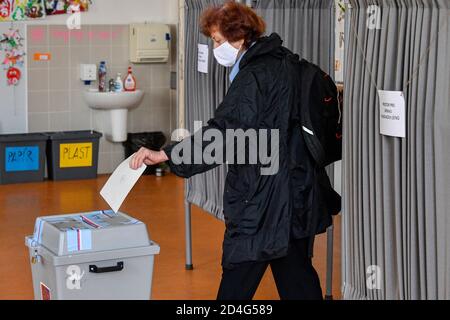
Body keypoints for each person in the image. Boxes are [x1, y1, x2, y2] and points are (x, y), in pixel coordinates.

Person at [130, 1, 340, 300]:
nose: (216, 48)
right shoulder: (287, 63)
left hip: (262, 198)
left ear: (239, 38)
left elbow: (223, 134)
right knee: (297, 277)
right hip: (297, 193)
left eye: (217, 40)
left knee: (239, 278)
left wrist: (167, 155)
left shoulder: (253, 77)